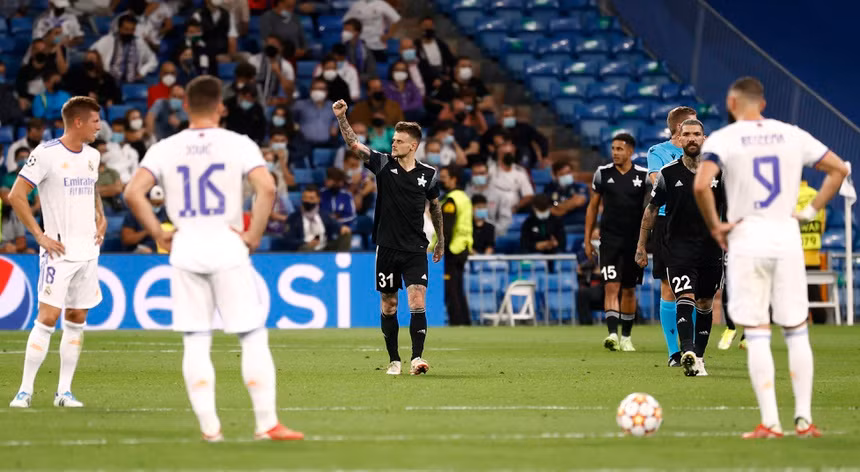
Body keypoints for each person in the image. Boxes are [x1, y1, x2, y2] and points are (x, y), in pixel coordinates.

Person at [123, 75, 303, 441]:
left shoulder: (165, 147)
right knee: (251, 336)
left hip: (185, 249)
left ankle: (210, 429)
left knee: (195, 340)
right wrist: (254, 234)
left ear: (185, 106)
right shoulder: (239, 143)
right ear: (221, 107)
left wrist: (158, 232)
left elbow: (132, 193)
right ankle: (266, 423)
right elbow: (267, 187)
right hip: (227, 247)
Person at [693, 76, 848, 439]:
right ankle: (804, 420)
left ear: (731, 103)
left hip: (747, 238)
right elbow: (839, 170)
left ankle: (771, 422)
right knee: (796, 329)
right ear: (762, 104)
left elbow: (701, 185)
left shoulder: (724, 139)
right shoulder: (792, 134)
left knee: (758, 331)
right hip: (786, 238)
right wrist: (808, 213)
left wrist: (716, 226)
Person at [8, 96, 106, 409]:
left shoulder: (92, 156)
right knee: (47, 318)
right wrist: (39, 236)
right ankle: (24, 391)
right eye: (95, 121)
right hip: (58, 252)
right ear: (78, 122)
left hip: (88, 251)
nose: (99, 127)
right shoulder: (46, 154)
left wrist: (101, 215)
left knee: (76, 319)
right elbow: (16, 195)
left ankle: (64, 392)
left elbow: (92, 188)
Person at [333, 99, 443, 376]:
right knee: (389, 304)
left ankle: (417, 358)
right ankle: (394, 359)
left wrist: (440, 240)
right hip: (387, 248)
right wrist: (342, 117)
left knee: (417, 300)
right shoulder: (383, 164)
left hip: (415, 248)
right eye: (393, 139)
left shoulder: (428, 174)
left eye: (399, 141)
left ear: (413, 146)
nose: (393, 144)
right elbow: (354, 145)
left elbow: (435, 206)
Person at [636, 119, 724, 377]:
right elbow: (651, 210)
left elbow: (732, 208)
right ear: (680, 139)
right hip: (678, 247)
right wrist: (641, 245)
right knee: (684, 296)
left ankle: (699, 357)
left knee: (705, 302)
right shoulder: (668, 173)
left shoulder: (720, 172)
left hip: (710, 248)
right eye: (687, 134)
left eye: (697, 134)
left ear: (704, 138)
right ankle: (687, 351)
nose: (692, 138)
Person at [584, 133, 648, 352]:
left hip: (634, 242)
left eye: (619, 149)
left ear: (630, 151)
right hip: (609, 240)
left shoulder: (644, 176)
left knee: (629, 290)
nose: (615, 153)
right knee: (611, 286)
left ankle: (626, 337)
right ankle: (612, 334)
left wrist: (645, 242)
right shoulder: (602, 174)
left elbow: (650, 209)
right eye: (613, 149)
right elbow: (593, 207)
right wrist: (587, 238)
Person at [646, 105, 697, 367]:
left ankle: (692, 349)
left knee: (696, 289)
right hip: (668, 221)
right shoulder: (658, 152)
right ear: (680, 127)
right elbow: (658, 183)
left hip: (699, 222)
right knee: (668, 286)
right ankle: (673, 352)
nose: (697, 132)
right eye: (693, 125)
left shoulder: (705, 153)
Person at [435, 165, 472, 326]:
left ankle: (456, 321)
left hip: (452, 249)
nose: (441, 180)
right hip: (462, 247)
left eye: (444, 177)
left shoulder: (451, 200)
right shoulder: (463, 197)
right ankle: (465, 320)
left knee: (451, 288)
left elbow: (447, 228)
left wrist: (439, 247)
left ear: (454, 179)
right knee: (458, 287)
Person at [91, 14, 159, 84]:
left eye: (132, 30)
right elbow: (91, 54)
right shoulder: (108, 40)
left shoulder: (139, 43)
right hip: (110, 81)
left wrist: (142, 71)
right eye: (126, 29)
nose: (129, 33)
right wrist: (100, 69)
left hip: (132, 81)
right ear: (119, 28)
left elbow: (153, 60)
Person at [281, 184, 352, 251]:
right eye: (305, 198)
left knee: (346, 235)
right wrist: (306, 243)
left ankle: (342, 258)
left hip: (325, 248)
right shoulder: (293, 218)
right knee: (306, 249)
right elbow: (288, 240)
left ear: (318, 199)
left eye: (311, 198)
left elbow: (336, 226)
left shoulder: (324, 215)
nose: (307, 201)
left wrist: (342, 228)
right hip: (305, 249)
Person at [487, 141, 534, 234]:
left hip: (513, 210)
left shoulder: (520, 171)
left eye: (511, 153)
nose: (508, 156)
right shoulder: (489, 170)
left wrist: (516, 207)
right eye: (505, 153)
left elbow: (529, 195)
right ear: (498, 154)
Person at [482, 106, 549, 169]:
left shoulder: (524, 128)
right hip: (502, 161)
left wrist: (544, 156)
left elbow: (542, 140)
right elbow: (484, 144)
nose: (507, 119)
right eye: (504, 116)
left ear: (514, 117)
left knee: (524, 151)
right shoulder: (493, 131)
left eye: (509, 116)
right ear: (499, 118)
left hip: (526, 160)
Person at [121, 185, 170, 253]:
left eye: (159, 204)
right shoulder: (133, 214)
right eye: (153, 203)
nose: (156, 206)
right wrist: (148, 231)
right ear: (146, 201)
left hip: (164, 247)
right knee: (146, 251)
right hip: (143, 248)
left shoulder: (167, 213)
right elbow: (127, 240)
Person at [248, 35, 296, 105]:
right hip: (255, 100)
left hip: (276, 103)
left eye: (273, 43)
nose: (270, 46)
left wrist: (278, 72)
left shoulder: (286, 65)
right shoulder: (253, 60)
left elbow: (290, 92)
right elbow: (245, 83)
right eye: (267, 43)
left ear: (281, 47)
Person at [291, 78, 337, 147]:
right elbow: (292, 118)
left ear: (327, 92)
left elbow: (336, 119)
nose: (318, 91)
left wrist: (335, 126)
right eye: (315, 89)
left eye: (321, 89)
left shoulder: (333, 106)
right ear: (310, 91)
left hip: (326, 144)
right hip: (303, 143)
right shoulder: (300, 105)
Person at [0, 147, 42, 217]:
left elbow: (38, 201)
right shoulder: (8, 177)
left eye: (27, 158)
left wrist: (32, 210)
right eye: (21, 157)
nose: (24, 160)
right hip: (13, 210)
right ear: (15, 159)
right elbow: (6, 198)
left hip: (30, 210)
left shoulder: (33, 178)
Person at [415, 16, 455, 86]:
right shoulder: (416, 45)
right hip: (424, 79)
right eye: (425, 26)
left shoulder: (441, 44)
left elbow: (451, 61)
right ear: (420, 27)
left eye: (431, 26)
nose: (428, 28)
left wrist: (445, 76)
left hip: (442, 78)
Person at [93, 139, 124, 212]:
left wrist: (98, 189)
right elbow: (89, 192)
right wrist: (110, 188)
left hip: (110, 208)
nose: (105, 154)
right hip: (93, 208)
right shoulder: (88, 172)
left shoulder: (113, 172)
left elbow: (118, 189)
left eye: (106, 151)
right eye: (101, 151)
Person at [343, 150, 376, 214]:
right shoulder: (341, 177)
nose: (355, 169)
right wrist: (354, 184)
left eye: (356, 166)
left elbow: (371, 185)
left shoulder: (363, 174)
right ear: (344, 163)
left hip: (367, 208)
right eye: (352, 165)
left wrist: (359, 195)